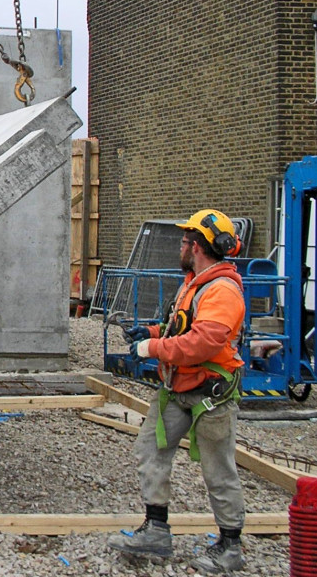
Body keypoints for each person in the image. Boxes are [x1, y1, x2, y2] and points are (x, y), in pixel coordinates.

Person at [106, 209, 247, 573]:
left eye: (185, 241)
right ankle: (156, 529)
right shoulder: (195, 283)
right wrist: (153, 333)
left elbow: (201, 344)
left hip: (209, 396)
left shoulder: (222, 290)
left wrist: (152, 350)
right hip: (178, 388)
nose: (181, 246)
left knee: (219, 470)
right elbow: (183, 327)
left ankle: (230, 547)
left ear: (198, 246)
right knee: (151, 451)